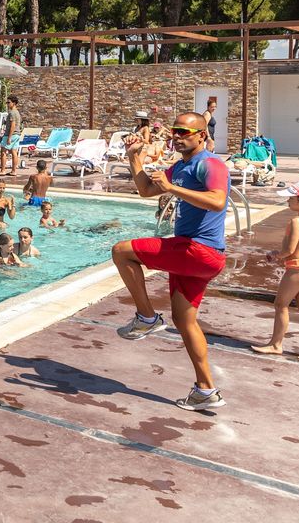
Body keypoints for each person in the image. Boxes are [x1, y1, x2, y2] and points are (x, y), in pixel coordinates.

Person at [110, 111, 228, 411]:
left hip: (198, 249)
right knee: (184, 321)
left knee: (121, 250)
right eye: (174, 131)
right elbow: (147, 190)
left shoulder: (210, 164)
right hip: (197, 256)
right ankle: (205, 390)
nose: (176, 136)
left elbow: (217, 201)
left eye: (184, 132)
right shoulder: (182, 166)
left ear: (201, 135)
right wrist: (134, 157)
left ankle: (147, 318)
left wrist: (173, 188)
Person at [250, 183, 299, 361]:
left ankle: (276, 345)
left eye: (291, 198)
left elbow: (289, 251)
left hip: (298, 268)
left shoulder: (297, 221)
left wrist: (274, 255)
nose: (288, 200)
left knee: (280, 305)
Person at [0, 95, 22, 177]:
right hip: (17, 134)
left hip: (10, 134)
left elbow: (13, 125)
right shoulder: (17, 112)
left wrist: (9, 137)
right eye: (6, 102)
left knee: (3, 151)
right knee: (14, 152)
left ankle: (3, 170)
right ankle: (14, 171)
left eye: (8, 102)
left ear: (14, 103)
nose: (7, 104)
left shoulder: (12, 113)